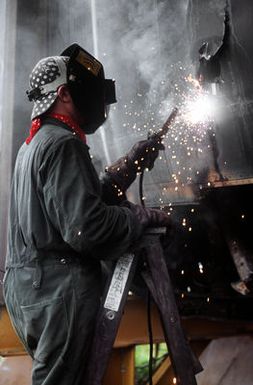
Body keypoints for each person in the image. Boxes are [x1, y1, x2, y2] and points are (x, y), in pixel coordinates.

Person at [3, 43, 171, 385]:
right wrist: (137, 218)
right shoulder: (65, 144)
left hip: (29, 291)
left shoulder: (33, 145)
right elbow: (87, 229)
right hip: (58, 294)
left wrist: (129, 165)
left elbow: (76, 201)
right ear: (64, 94)